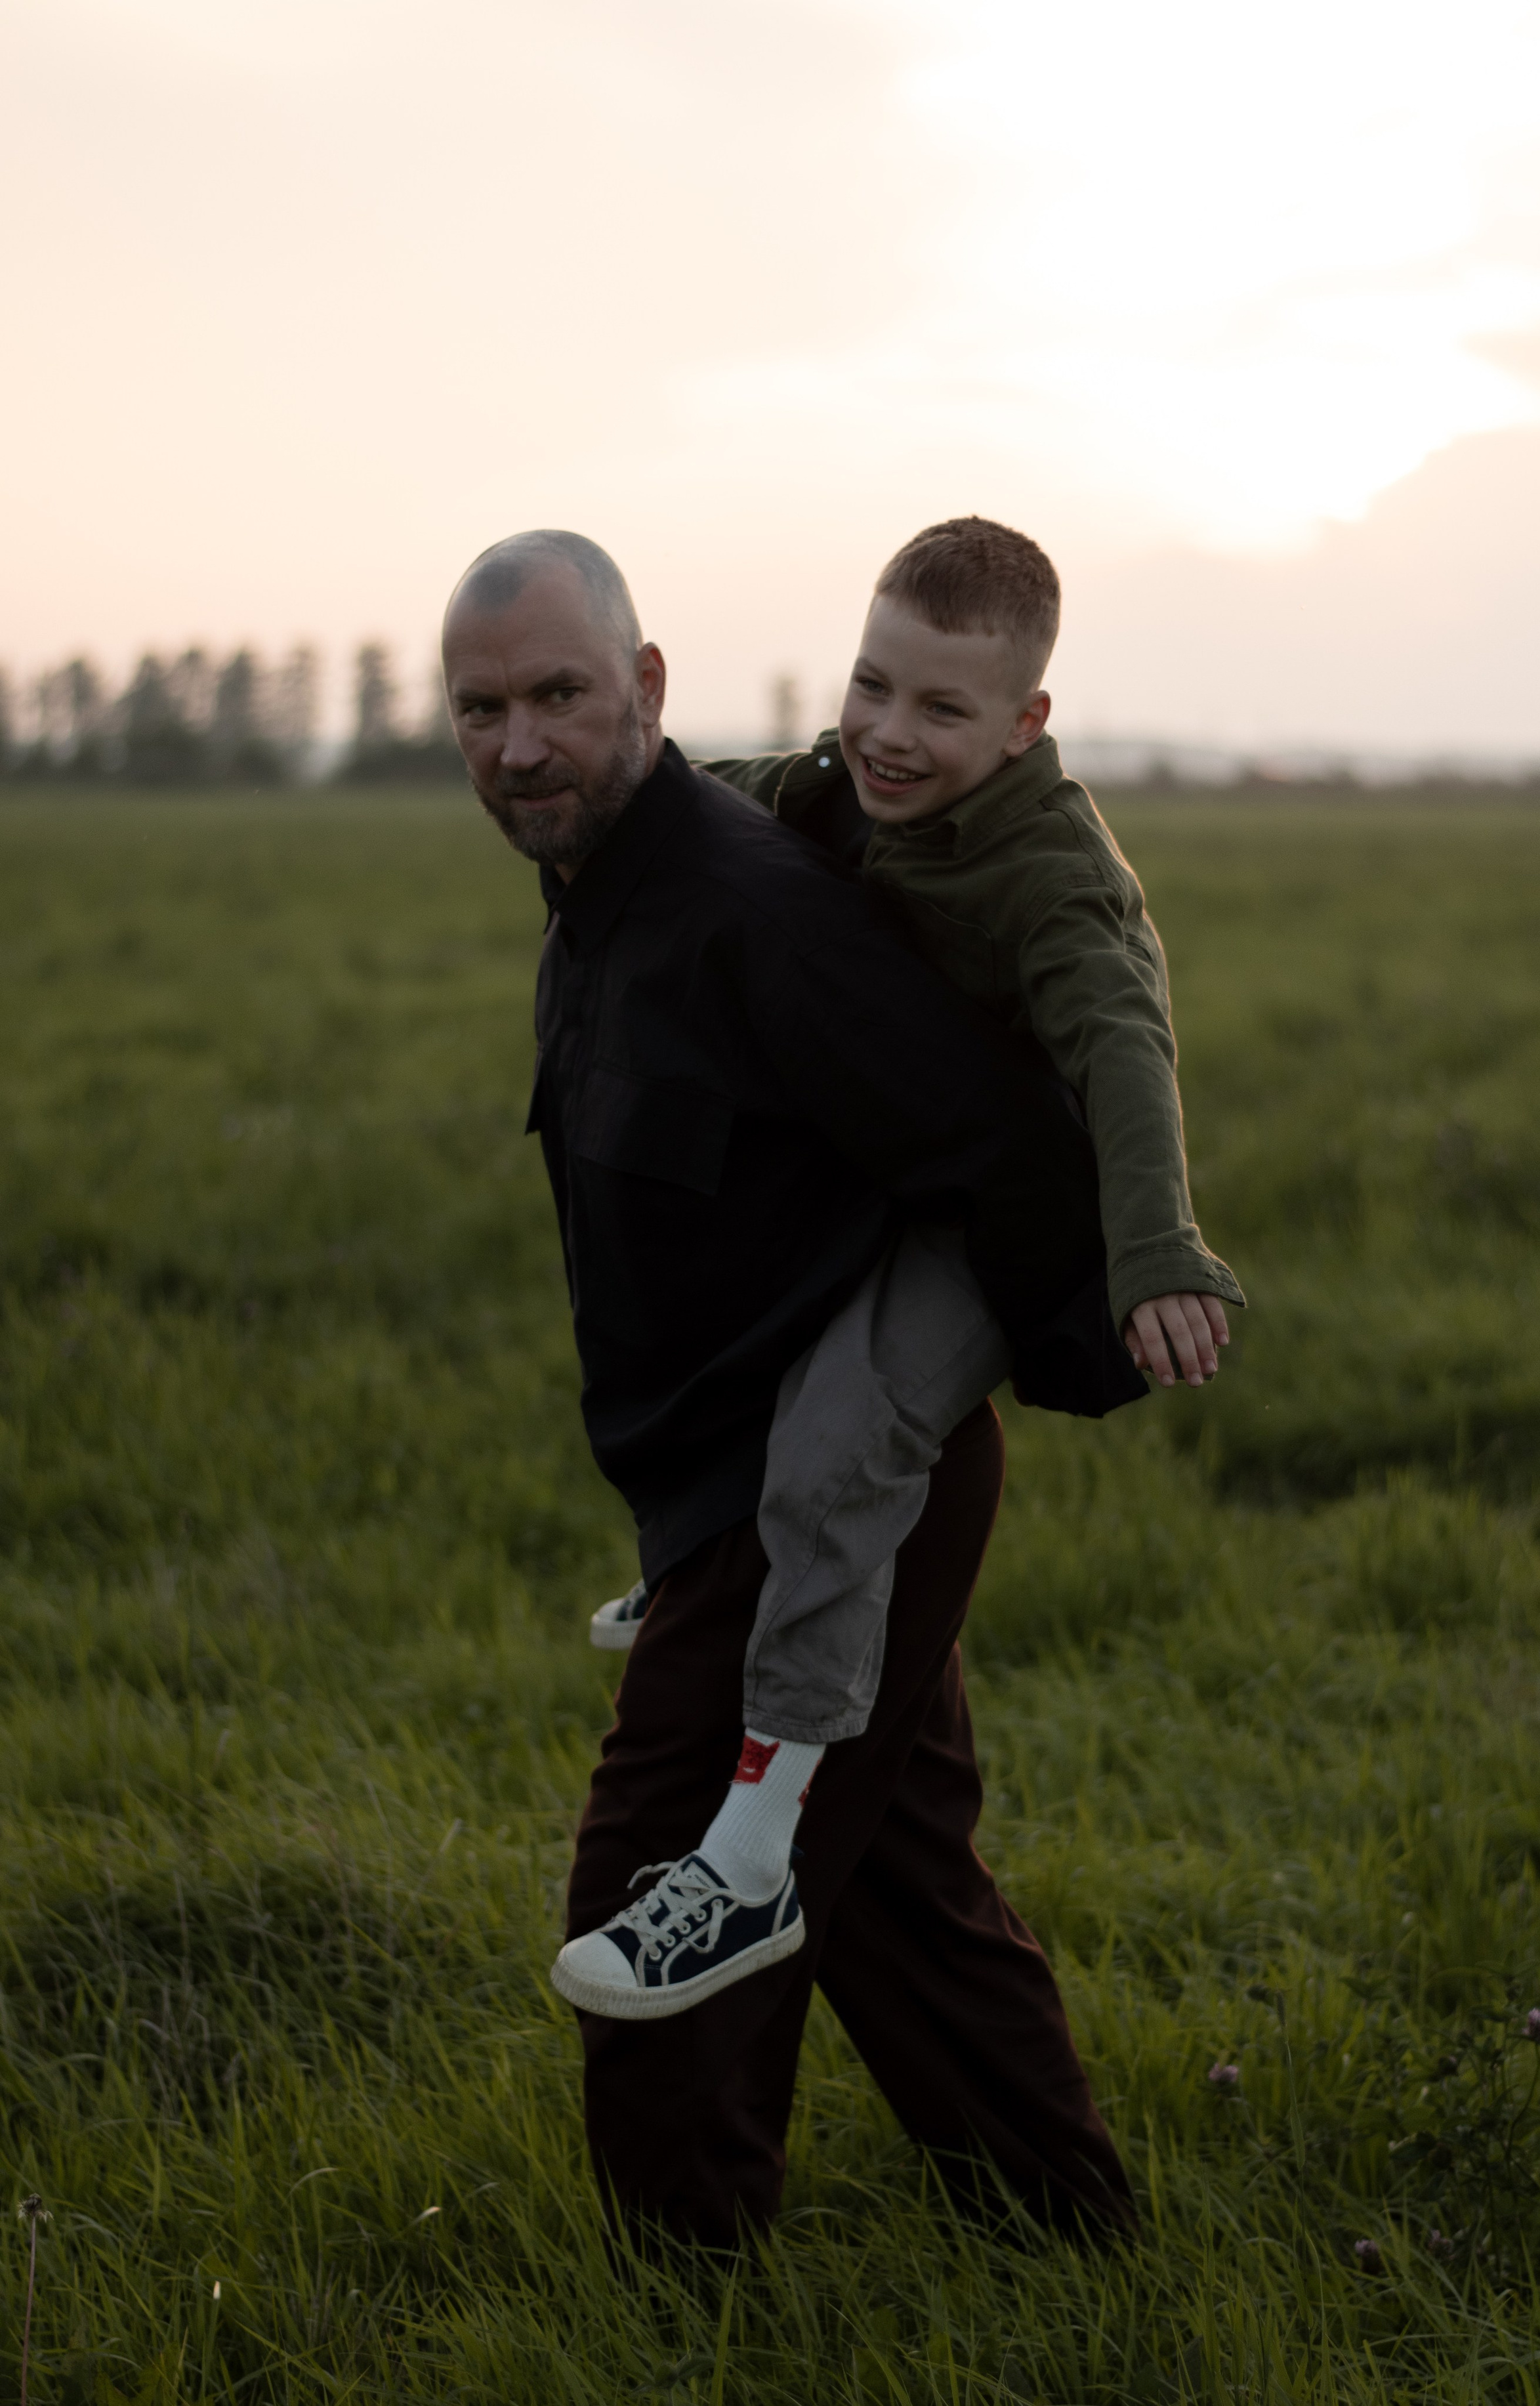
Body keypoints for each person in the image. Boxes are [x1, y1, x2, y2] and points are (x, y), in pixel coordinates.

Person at [443, 527, 1138, 2245]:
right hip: (744, 1490)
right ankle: (1068, 2233)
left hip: (812, 1493)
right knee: (894, 1879)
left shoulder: (755, 910)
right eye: (481, 710)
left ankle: (679, 2302)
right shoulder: (603, 891)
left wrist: (1083, 1347)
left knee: (649, 1886)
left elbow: (1011, 1146)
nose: (519, 746)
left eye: (558, 697)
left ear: (645, 686)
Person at [562, 518, 1243, 2021]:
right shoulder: (851, 781)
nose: (886, 731)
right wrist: (607, 779)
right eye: (873, 684)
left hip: (1010, 1217)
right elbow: (727, 814)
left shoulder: (1055, 876)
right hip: (900, 1160)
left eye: (941, 709)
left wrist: (1157, 1252)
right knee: (748, 1294)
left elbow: (1122, 1045)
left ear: (1024, 723)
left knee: (843, 1439)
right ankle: (710, 1579)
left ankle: (749, 1861)